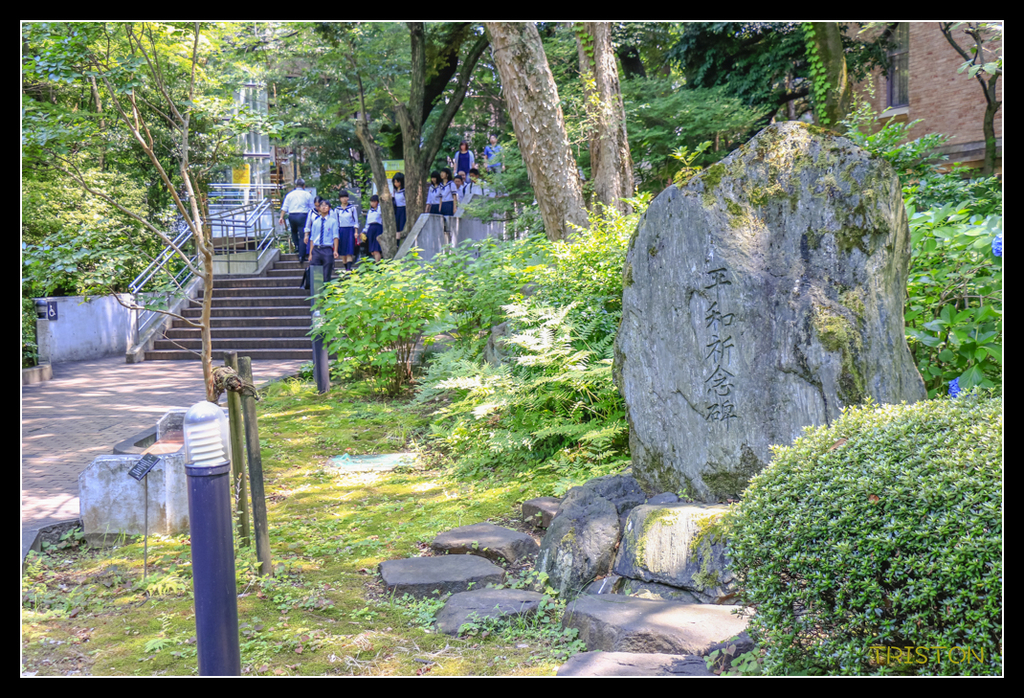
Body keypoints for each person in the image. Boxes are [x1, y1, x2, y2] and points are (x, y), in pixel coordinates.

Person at [303, 198, 339, 281]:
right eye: (322, 205)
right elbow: (312, 238)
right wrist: (311, 253)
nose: (324, 207)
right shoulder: (316, 222)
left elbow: (335, 236)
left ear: (329, 208)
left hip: (327, 249)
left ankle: (326, 292)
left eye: (326, 206)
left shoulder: (333, 221)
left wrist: (335, 250)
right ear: (319, 208)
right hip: (316, 249)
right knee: (316, 273)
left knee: (327, 273)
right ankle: (316, 292)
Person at [279, 179, 314, 263]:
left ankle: (297, 246)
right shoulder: (307, 195)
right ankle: (301, 256)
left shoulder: (290, 195)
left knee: (294, 231)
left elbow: (285, 207)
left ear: (295, 186)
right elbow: (311, 207)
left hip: (292, 215)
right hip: (303, 215)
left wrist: (281, 217)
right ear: (304, 186)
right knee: (303, 235)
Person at [335, 189, 359, 272]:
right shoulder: (337, 209)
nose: (344, 199)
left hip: (350, 230)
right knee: (342, 252)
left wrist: (356, 232)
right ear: (340, 198)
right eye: (342, 197)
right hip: (341, 230)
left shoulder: (352, 208)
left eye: (346, 197)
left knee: (349, 250)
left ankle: (349, 269)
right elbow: (336, 222)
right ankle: (346, 268)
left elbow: (355, 220)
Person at [363, 195, 384, 262]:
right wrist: (364, 232)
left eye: (374, 201)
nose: (372, 203)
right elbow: (367, 222)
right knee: (372, 251)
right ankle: (376, 263)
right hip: (370, 229)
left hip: (378, 229)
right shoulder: (370, 211)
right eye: (371, 202)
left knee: (376, 250)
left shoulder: (380, 210)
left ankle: (377, 265)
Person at [392, 173, 407, 238]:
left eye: (397, 182)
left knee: (402, 225)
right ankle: (397, 241)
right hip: (397, 209)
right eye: (394, 182)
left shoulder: (404, 191)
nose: (396, 183)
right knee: (396, 226)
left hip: (403, 209)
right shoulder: (394, 191)